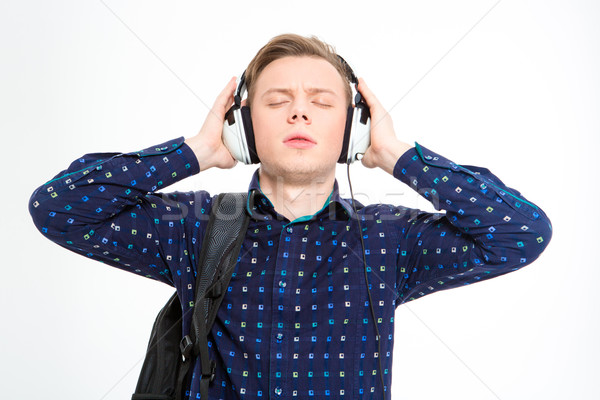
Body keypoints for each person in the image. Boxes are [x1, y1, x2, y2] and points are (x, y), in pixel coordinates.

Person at [29, 33, 552, 399]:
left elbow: (521, 233)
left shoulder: (390, 239)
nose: (299, 112)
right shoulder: (192, 227)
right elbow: (58, 209)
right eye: (277, 100)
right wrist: (193, 152)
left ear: (353, 131)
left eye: (322, 102)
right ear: (245, 129)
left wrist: (398, 155)